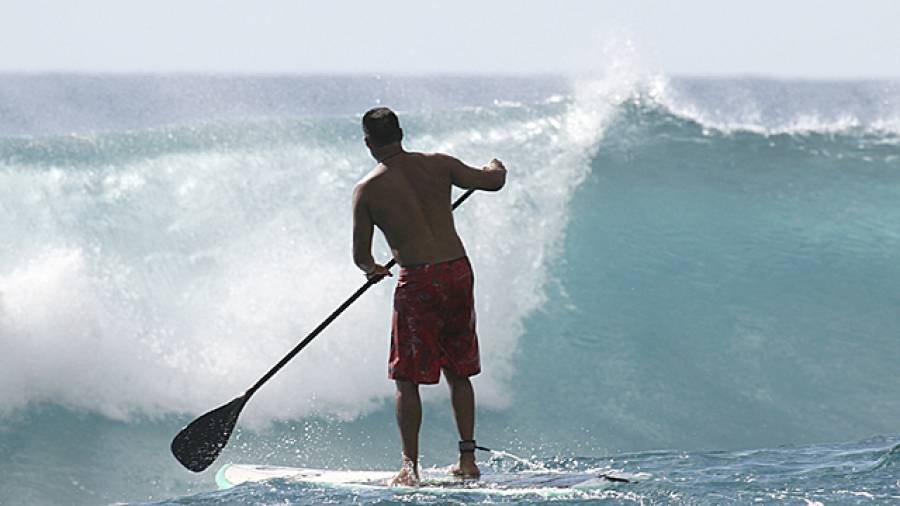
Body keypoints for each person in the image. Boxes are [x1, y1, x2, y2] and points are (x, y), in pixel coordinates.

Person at [351, 107, 507, 486]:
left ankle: (410, 468)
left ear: (368, 143)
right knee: (458, 369)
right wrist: (496, 165)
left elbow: (361, 256)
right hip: (457, 271)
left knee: (407, 379)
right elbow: (493, 181)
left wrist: (375, 269)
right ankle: (467, 460)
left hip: (419, 280)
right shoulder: (439, 164)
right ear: (401, 133)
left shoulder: (368, 190)